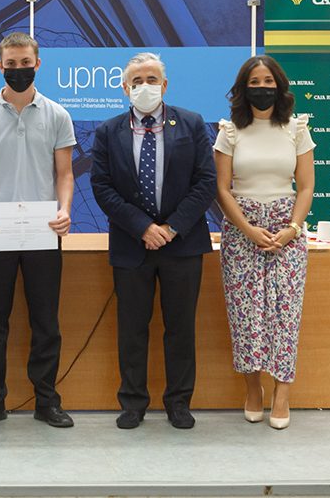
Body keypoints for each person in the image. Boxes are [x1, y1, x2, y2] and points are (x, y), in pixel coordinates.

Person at [91, 52, 217, 431]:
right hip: (132, 244)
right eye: (137, 81)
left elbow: (206, 181)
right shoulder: (108, 131)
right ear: (124, 88)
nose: (144, 87)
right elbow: (102, 187)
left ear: (165, 85)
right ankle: (133, 403)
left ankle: (179, 403)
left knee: (181, 328)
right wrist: (144, 227)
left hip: (183, 244)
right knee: (132, 329)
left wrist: (172, 227)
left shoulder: (191, 123)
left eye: (151, 80)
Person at [0, 33, 77, 429]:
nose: (18, 70)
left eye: (25, 63)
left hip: (44, 232)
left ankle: (47, 401)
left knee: (46, 323)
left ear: (38, 63)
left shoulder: (58, 115)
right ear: (0, 66)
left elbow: (65, 174)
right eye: (11, 64)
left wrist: (65, 210)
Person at [213, 54, 314, 430]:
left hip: (287, 232)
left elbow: (306, 187)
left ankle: (281, 394)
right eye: (254, 82)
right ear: (243, 88)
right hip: (242, 234)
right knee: (246, 316)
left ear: (279, 86)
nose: (261, 88)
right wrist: (248, 229)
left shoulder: (296, 129)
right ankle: (253, 389)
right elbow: (222, 188)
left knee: (286, 316)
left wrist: (292, 229)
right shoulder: (229, 131)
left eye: (267, 82)